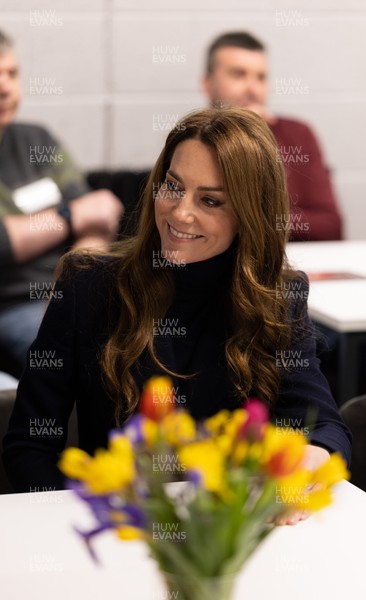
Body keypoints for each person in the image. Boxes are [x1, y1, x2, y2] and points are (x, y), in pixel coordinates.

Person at [2, 108, 351, 527]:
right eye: (173, 186)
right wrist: (86, 521)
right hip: (122, 529)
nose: (179, 213)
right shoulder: (88, 286)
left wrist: (314, 455)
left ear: (248, 215)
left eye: (210, 200)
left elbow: (324, 425)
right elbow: (30, 446)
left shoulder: (277, 296)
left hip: (231, 536)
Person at [0, 30, 123, 373]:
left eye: (12, 73)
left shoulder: (36, 139)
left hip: (62, 290)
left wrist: (71, 289)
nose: (6, 87)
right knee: (71, 360)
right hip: (12, 305)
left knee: (143, 341)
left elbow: (99, 216)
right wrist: (70, 216)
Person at [202, 31, 343, 242]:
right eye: (238, 74)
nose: (253, 89)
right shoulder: (193, 141)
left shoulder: (297, 134)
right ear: (208, 84)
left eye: (261, 77)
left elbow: (330, 226)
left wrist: (254, 217)